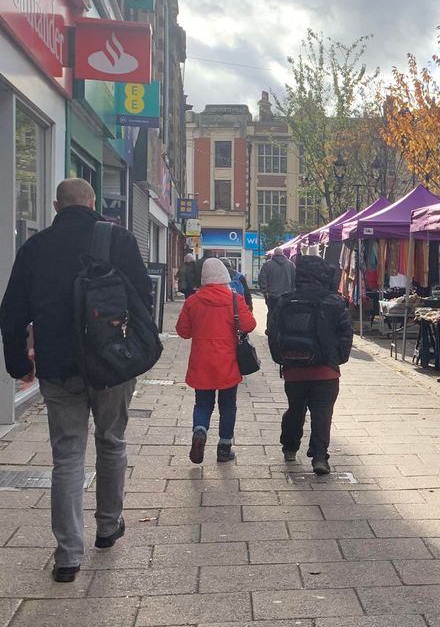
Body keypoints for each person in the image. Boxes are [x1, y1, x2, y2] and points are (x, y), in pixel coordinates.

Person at [0, 178, 152, 582]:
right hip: (111, 364)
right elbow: (142, 297)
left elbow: (11, 310)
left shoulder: (36, 247)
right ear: (93, 202)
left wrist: (19, 363)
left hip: (58, 366)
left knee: (67, 456)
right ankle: (107, 526)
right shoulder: (118, 239)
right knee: (112, 441)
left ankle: (68, 555)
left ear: (56, 206)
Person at [271, 255, 353, 475]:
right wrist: (338, 358)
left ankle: (289, 447)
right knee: (323, 413)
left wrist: (281, 358)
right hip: (326, 371)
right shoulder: (334, 301)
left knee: (295, 410)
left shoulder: (286, 300)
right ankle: (319, 457)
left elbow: (273, 332)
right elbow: (346, 333)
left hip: (294, 368)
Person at [176, 258, 257, 465]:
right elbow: (249, 325)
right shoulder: (234, 299)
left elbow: (182, 332)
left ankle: (200, 431)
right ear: (224, 277)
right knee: (228, 406)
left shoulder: (193, 301)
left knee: (203, 403)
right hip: (228, 362)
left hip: (201, 362)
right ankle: (224, 448)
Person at [257, 247, 296, 316]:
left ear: (273, 254)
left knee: (272, 315)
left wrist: (265, 291)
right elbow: (295, 279)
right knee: (285, 315)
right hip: (287, 296)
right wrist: (293, 292)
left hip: (272, 296)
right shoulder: (291, 265)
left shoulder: (267, 265)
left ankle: (271, 326)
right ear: (283, 254)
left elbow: (262, 279)